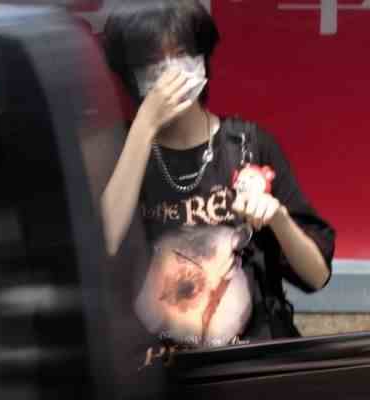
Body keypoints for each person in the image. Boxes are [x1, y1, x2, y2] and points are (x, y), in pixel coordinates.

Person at [99, 0, 335, 348]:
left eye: (181, 54)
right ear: (130, 74)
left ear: (202, 57)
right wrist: (144, 127)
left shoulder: (250, 144)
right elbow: (101, 247)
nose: (169, 72)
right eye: (152, 61)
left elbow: (317, 276)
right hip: (158, 364)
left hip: (251, 360)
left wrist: (279, 219)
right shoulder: (119, 149)